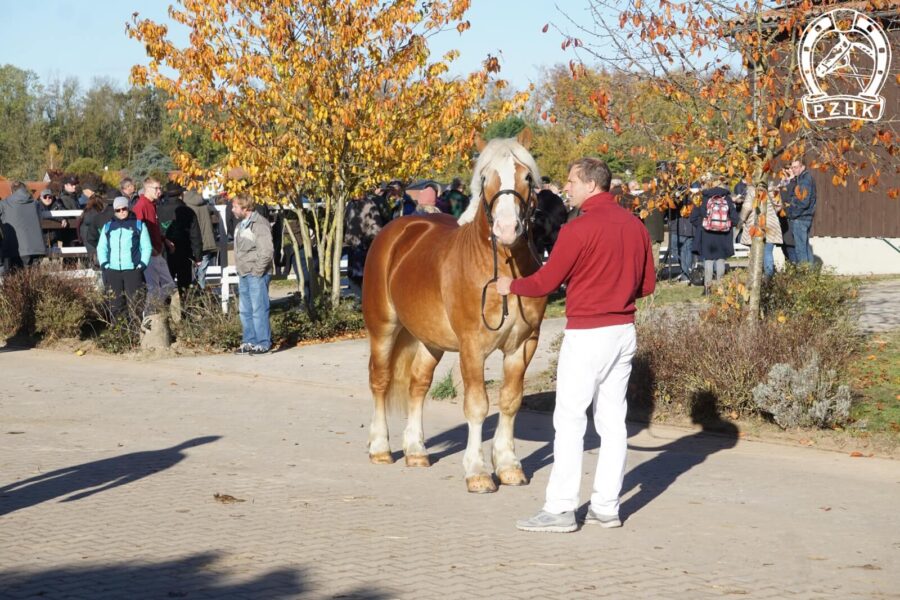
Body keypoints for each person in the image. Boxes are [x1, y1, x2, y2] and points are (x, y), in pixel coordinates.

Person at [496, 158, 655, 533]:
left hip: (587, 333)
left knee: (569, 420)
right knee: (613, 422)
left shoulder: (577, 229)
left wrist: (510, 285)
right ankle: (606, 506)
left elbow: (545, 281)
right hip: (623, 330)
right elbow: (647, 286)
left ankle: (561, 508)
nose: (566, 188)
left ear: (591, 185)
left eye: (571, 182)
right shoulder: (635, 226)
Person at [232, 193, 274, 355]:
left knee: (259, 308)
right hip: (244, 272)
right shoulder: (241, 225)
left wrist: (257, 271)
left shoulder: (259, 224)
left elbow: (267, 251)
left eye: (235, 206)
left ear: (245, 208)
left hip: (256, 273)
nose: (232, 210)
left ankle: (263, 342)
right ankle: (249, 341)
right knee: (245, 310)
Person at [97, 197, 152, 320]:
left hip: (133, 270)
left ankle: (136, 333)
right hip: (113, 271)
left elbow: (147, 247)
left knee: (135, 303)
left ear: (129, 208)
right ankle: (120, 335)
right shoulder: (108, 227)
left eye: (124, 209)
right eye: (118, 210)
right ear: (114, 211)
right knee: (116, 304)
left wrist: (141, 265)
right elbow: (101, 247)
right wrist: (105, 265)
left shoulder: (139, 225)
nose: (121, 212)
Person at [132, 177, 177, 313]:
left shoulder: (152, 204)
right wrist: (149, 248)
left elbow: (154, 228)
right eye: (156, 188)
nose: (159, 191)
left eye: (160, 188)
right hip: (149, 253)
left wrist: (164, 240)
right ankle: (148, 317)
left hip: (157, 250)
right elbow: (137, 230)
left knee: (169, 285)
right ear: (147, 189)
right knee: (154, 288)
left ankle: (153, 312)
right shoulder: (141, 206)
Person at [690, 178, 740, 294]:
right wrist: (726, 225)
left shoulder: (703, 198)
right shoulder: (726, 198)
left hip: (707, 235)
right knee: (720, 260)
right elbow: (735, 219)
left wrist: (703, 224)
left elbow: (693, 218)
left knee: (708, 260)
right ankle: (720, 289)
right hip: (724, 235)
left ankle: (708, 289)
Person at [161, 183, 202, 298]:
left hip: (165, 253)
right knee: (184, 286)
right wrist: (198, 256)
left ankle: (166, 313)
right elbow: (195, 235)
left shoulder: (159, 210)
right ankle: (185, 313)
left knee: (166, 286)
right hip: (184, 252)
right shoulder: (188, 211)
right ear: (181, 194)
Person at [344, 191, 385, 296]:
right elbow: (346, 222)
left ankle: (363, 298)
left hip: (363, 245)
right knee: (351, 274)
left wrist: (368, 239)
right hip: (351, 244)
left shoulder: (369, 204)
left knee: (361, 275)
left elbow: (376, 226)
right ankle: (358, 298)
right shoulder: (350, 204)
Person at [0, 181, 47, 271]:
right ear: (25, 189)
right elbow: (41, 219)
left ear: (11, 191)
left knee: (17, 280)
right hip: (36, 248)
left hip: (15, 248)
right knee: (34, 280)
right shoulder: (35, 203)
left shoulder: (4, 203)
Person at [783, 159, 817, 264]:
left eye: (796, 167)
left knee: (801, 249)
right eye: (792, 167)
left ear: (802, 167)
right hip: (804, 216)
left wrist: (792, 213)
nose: (793, 169)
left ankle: (804, 276)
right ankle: (810, 276)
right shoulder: (802, 179)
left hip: (801, 218)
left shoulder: (805, 180)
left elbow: (803, 201)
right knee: (805, 247)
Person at [183, 189, 219, 289]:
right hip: (206, 241)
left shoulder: (185, 205)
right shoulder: (205, 203)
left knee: (189, 273)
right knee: (202, 273)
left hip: (192, 242)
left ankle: (190, 297)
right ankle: (201, 296)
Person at [78, 193, 114, 266]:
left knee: (92, 261)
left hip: (86, 238)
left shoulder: (85, 212)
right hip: (93, 240)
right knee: (97, 261)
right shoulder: (97, 215)